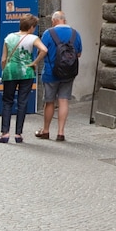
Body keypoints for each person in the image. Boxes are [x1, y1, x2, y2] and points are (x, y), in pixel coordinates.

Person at [0, 14, 46, 143]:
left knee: (7, 102)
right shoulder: (33, 38)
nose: (34, 29)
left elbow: (3, 59)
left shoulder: (9, 37)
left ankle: (5, 133)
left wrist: (5, 70)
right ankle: (18, 134)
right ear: (30, 27)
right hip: (26, 72)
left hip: (10, 71)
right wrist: (35, 62)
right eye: (34, 27)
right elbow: (44, 50)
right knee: (22, 102)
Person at [34, 11, 82, 141]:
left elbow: (41, 51)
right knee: (63, 100)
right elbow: (78, 54)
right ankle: (61, 133)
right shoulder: (75, 34)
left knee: (49, 102)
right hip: (68, 73)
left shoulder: (48, 33)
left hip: (51, 73)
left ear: (54, 21)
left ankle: (46, 130)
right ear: (64, 20)